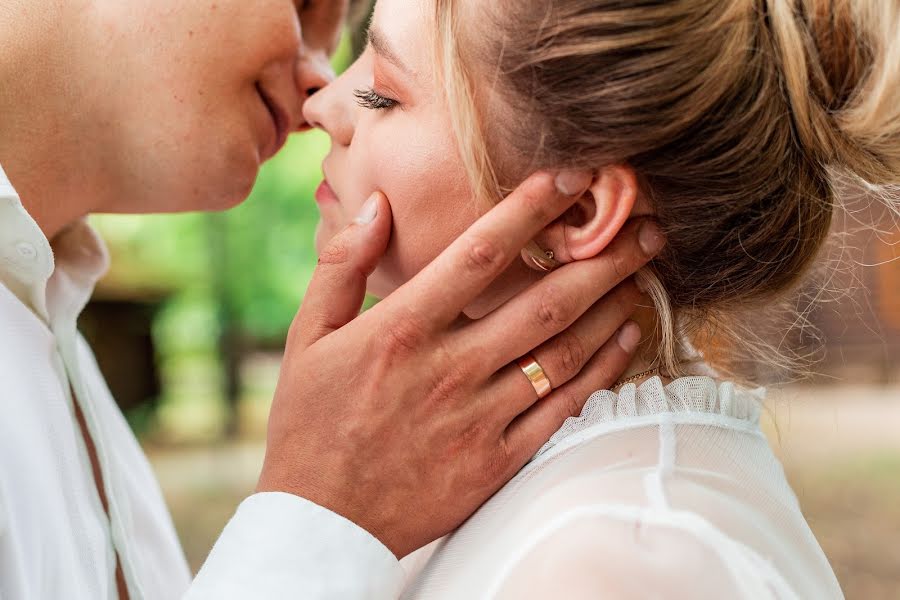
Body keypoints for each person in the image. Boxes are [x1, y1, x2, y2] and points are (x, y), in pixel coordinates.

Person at [0, 1, 667, 599]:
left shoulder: (44, 311)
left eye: (384, 92)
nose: (322, 86)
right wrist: (315, 514)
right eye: (306, 0)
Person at [300, 0, 899, 596]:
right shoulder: (459, 482)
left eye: (382, 93)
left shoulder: (617, 563)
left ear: (579, 210)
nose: (321, 105)